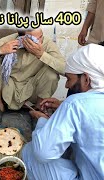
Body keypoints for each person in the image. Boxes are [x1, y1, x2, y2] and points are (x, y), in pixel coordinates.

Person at [22, 44, 104, 180]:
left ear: (86, 79)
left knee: (30, 152)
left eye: (69, 79)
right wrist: (62, 106)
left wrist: (43, 120)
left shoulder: (74, 104)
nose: (66, 85)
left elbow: (43, 153)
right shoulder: (76, 105)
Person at [0, 28, 65, 125]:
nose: (39, 42)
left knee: (51, 74)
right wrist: (0, 50)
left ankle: (38, 111)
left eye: (40, 37)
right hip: (8, 86)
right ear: (22, 38)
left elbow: (65, 69)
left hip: (31, 88)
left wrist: (41, 54)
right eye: (33, 39)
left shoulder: (46, 43)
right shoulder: (10, 40)